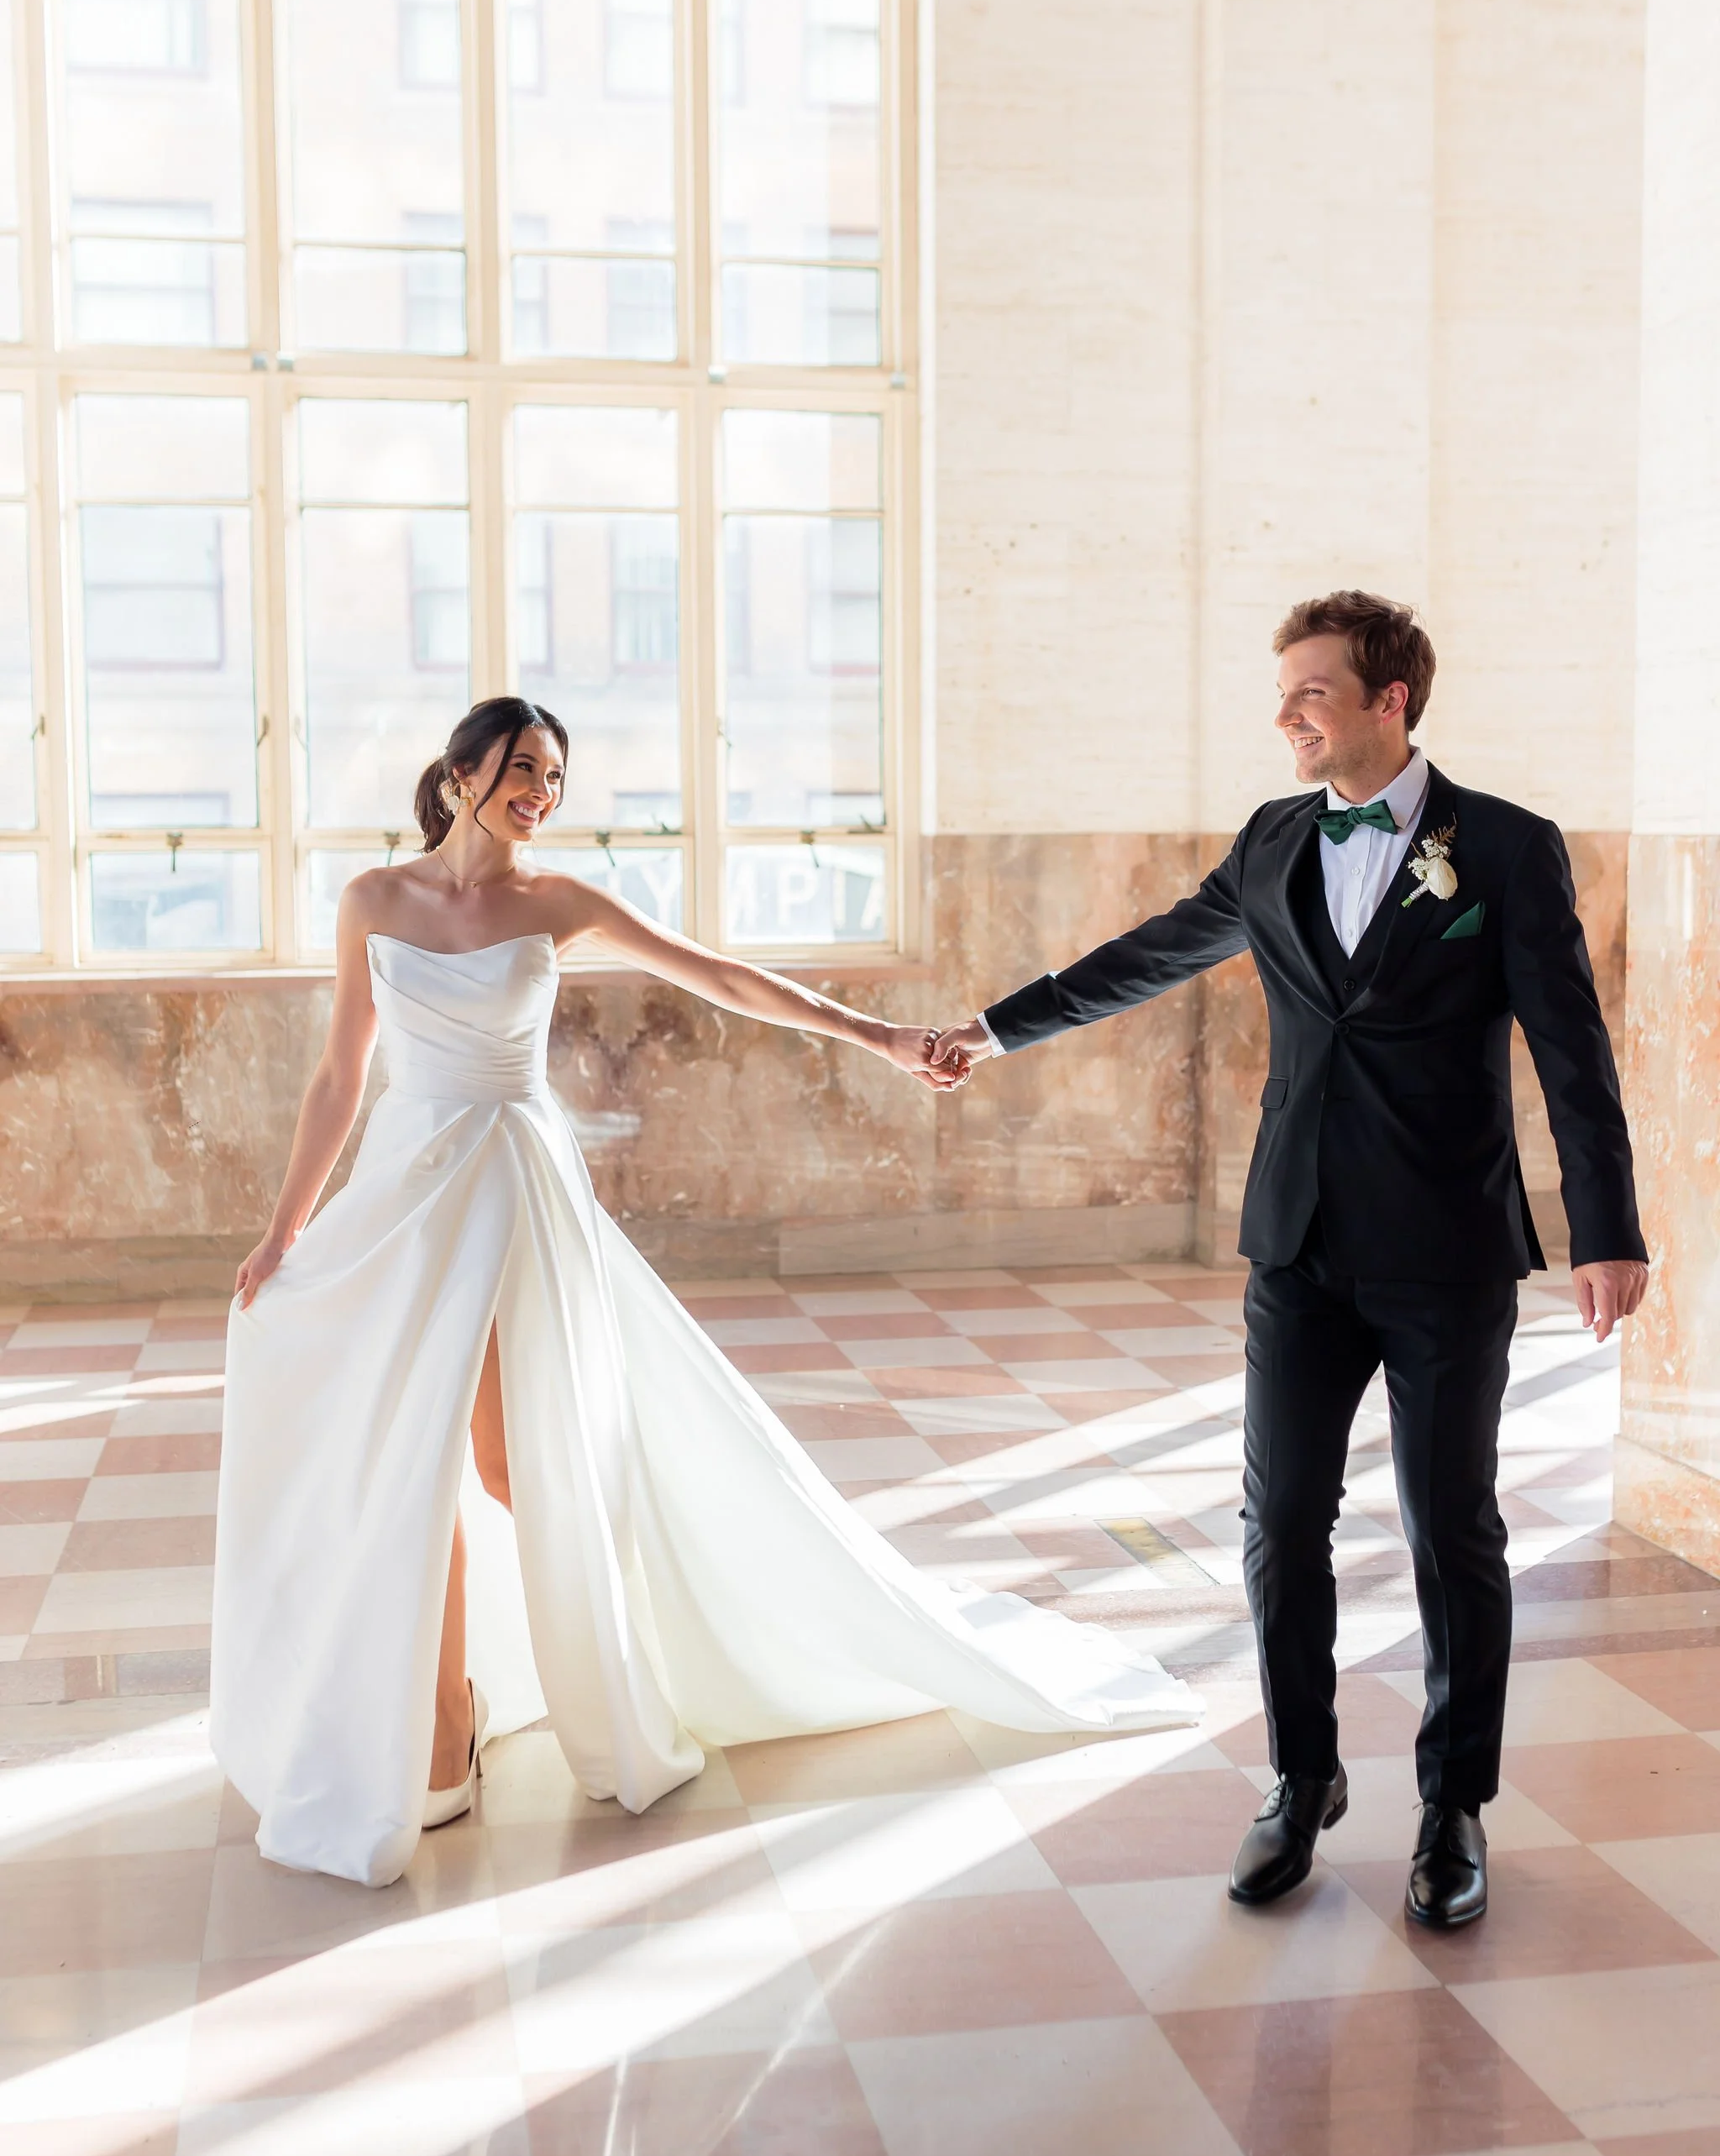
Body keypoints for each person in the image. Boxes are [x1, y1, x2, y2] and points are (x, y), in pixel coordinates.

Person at [210, 695, 1196, 1888]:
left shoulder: (559, 903)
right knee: (413, 1460)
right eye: (524, 769)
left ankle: (631, 1661)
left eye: (556, 777)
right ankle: (438, 1727)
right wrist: (286, 1228)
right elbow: (338, 1075)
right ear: (462, 772)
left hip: (516, 1186)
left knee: (513, 1464)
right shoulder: (374, 900)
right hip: (406, 1199)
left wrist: (879, 1037)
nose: (542, 792)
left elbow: (724, 977)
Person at [931, 592, 1649, 1931]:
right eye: (1285, 692)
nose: (1287, 716)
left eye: (1312, 691)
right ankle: (1299, 1776)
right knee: (1280, 1526)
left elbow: (1571, 1051)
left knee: (1453, 1531)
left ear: (1391, 701)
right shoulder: (1271, 841)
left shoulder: (1501, 847)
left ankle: (1453, 1806)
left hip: (1445, 1252)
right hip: (1300, 1249)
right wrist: (997, 1028)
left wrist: (1607, 1228)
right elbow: (1151, 954)